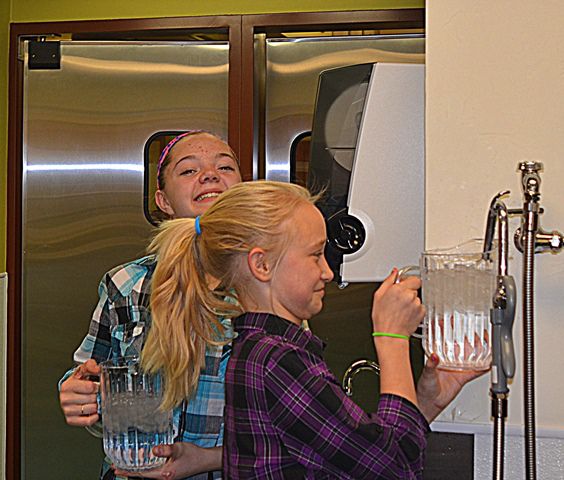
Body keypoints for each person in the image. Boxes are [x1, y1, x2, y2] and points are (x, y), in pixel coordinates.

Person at [140, 180, 483, 480]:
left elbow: (361, 451)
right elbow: (393, 467)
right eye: (315, 255)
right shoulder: (277, 361)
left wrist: (428, 401)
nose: (327, 272)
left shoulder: (262, 350)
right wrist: (391, 337)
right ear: (261, 265)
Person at [58, 130, 242, 480]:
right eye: (188, 171)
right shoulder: (125, 285)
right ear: (163, 201)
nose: (209, 175)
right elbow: (89, 374)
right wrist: (76, 393)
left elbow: (293, 423)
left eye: (225, 167)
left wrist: (211, 458)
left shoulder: (267, 284)